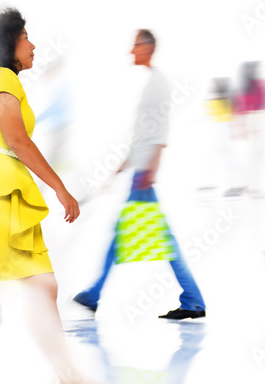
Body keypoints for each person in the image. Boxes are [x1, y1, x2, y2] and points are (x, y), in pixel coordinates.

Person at [0, 8, 91, 384]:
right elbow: (16, 139)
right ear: (9, 43)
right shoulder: (1, 77)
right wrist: (60, 187)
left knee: (43, 286)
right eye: (26, 37)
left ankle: (69, 376)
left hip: (10, 187)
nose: (33, 45)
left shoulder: (3, 79)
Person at [73, 30, 207, 320]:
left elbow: (160, 132)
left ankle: (95, 293)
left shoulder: (157, 84)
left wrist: (150, 169)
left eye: (136, 45)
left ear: (149, 47)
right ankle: (193, 299)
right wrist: (120, 167)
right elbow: (144, 136)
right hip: (141, 170)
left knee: (124, 235)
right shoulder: (151, 83)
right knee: (154, 238)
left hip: (144, 174)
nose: (131, 50)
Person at [234, 61, 265, 197]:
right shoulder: (259, 84)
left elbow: (240, 108)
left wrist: (241, 126)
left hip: (251, 119)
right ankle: (254, 186)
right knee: (261, 154)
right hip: (259, 119)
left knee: (256, 154)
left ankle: (252, 185)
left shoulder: (244, 86)